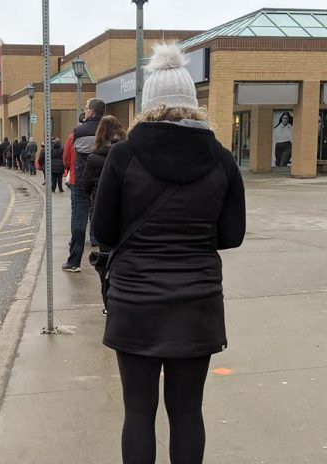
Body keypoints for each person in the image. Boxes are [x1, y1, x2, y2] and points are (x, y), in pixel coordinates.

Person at [92, 43, 246, 464]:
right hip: (196, 303)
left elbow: (103, 232)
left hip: (136, 301)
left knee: (138, 411)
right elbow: (232, 235)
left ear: (147, 104)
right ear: (192, 103)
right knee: (187, 412)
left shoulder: (123, 156)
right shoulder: (222, 159)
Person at [62, 97, 105, 272]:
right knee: (102, 217)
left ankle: (74, 261)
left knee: (78, 222)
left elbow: (66, 158)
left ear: (91, 111)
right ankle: (106, 260)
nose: (84, 110)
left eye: (86, 107)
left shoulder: (76, 133)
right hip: (103, 182)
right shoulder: (109, 132)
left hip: (79, 182)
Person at [82, 116, 127, 248]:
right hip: (125, 207)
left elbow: (86, 185)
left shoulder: (93, 158)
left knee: (105, 251)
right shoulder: (128, 155)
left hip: (101, 207)